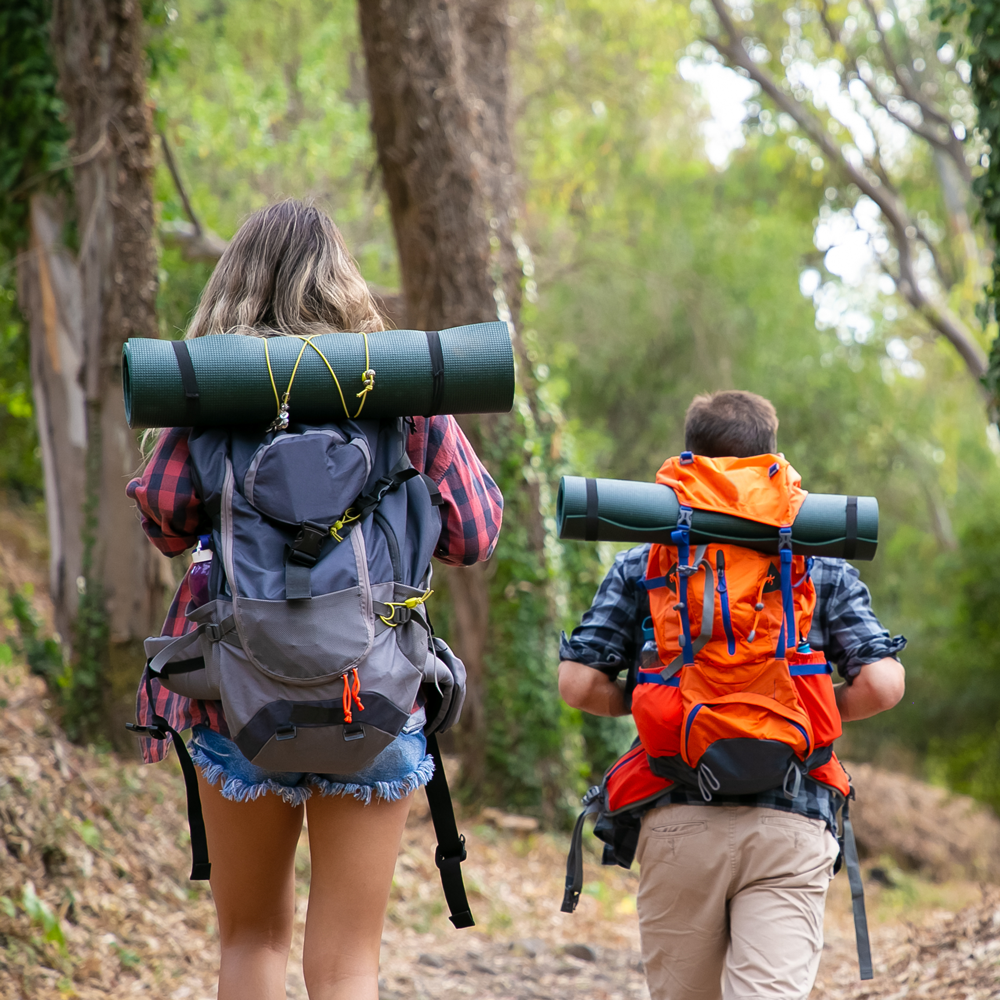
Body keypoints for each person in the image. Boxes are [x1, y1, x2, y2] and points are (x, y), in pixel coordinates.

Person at [126, 200, 503, 1000]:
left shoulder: (212, 397)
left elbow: (162, 518)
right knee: (347, 964)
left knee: (252, 942)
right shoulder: (399, 391)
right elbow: (474, 533)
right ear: (344, 281)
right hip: (376, 690)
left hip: (237, 696)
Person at [558, 390, 905, 1000]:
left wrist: (643, 699)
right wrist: (813, 709)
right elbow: (882, 683)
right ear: (770, 456)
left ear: (689, 459)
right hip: (792, 817)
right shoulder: (820, 563)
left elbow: (578, 684)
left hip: (678, 813)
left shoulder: (649, 560)